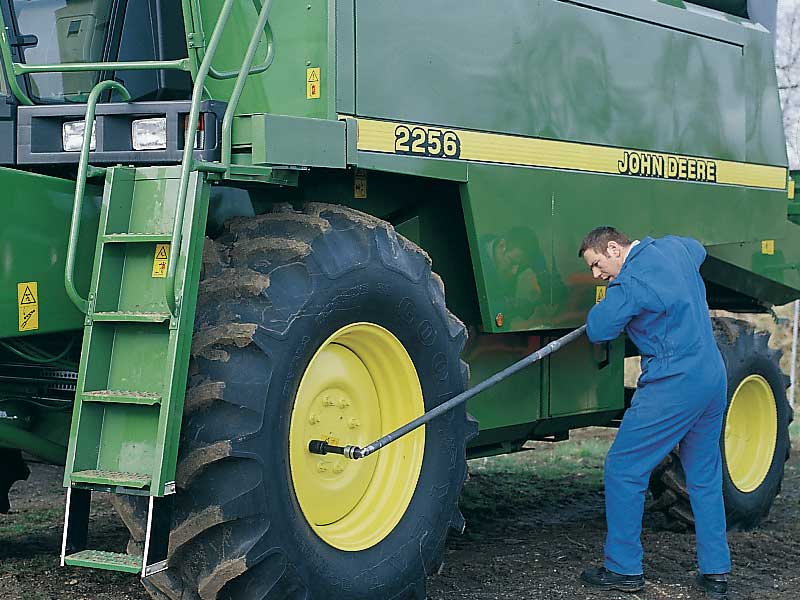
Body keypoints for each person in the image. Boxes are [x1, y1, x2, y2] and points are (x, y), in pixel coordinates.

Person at [577, 227, 730, 600]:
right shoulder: (674, 249)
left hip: (674, 381)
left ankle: (623, 569)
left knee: (624, 468)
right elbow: (699, 248)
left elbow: (598, 330)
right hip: (712, 373)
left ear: (613, 248)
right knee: (704, 475)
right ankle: (716, 574)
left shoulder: (630, 284)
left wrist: (609, 298)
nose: (597, 275)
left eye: (597, 264)